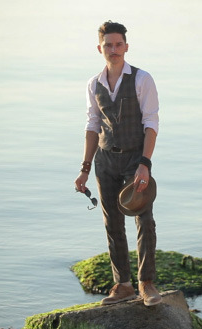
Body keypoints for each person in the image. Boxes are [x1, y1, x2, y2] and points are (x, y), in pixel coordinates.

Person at [74, 20, 161, 307]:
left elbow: (151, 123)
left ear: (126, 46)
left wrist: (145, 163)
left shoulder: (141, 79)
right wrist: (84, 169)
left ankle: (146, 282)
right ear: (100, 48)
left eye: (118, 44)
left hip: (135, 158)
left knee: (143, 218)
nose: (114, 50)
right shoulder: (93, 84)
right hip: (105, 160)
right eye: (108, 45)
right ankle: (122, 285)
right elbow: (92, 126)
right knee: (112, 222)